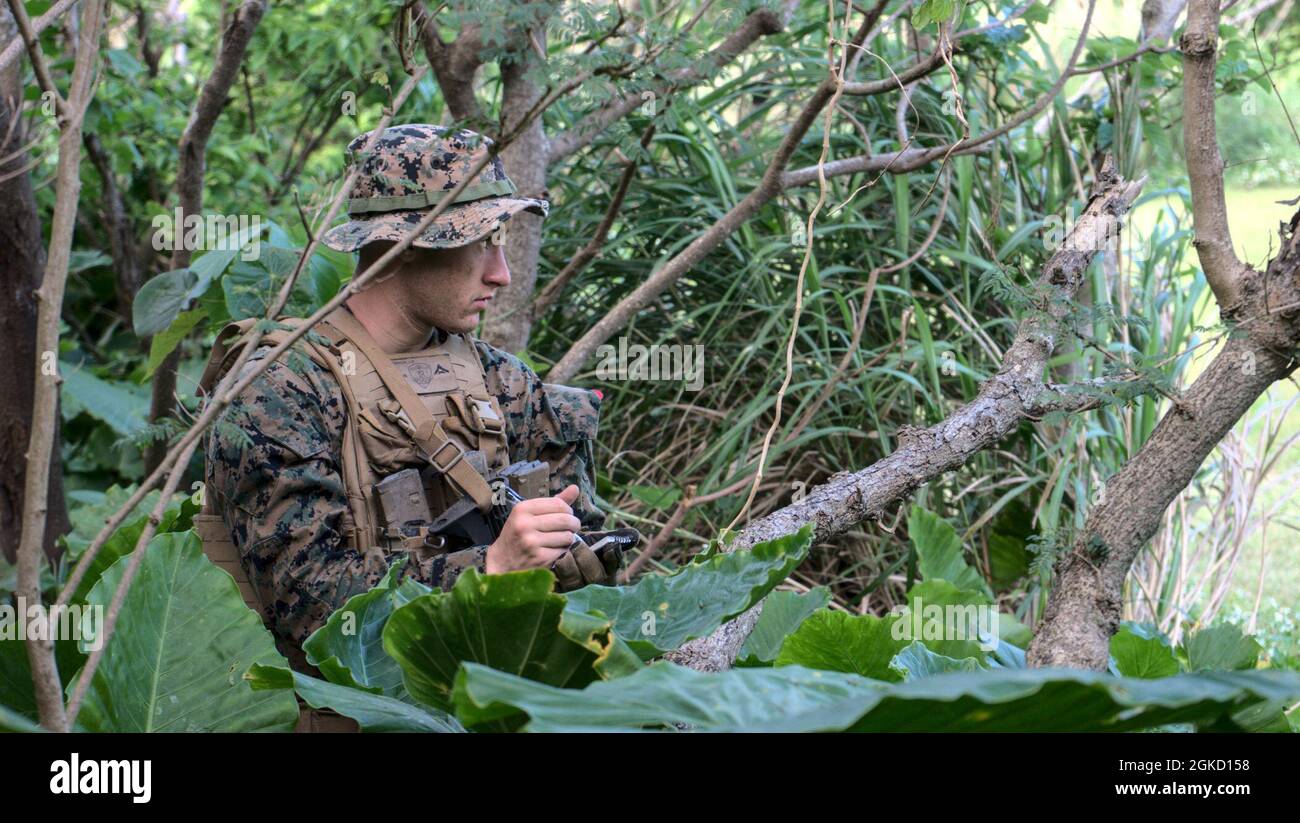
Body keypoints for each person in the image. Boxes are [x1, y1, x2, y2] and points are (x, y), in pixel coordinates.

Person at [199, 124, 637, 669]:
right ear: (403, 246)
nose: (501, 275)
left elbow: (595, 563)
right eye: (479, 244)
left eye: (498, 243)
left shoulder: (504, 381)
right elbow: (306, 604)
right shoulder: (281, 389)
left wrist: (578, 554)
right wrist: (491, 570)